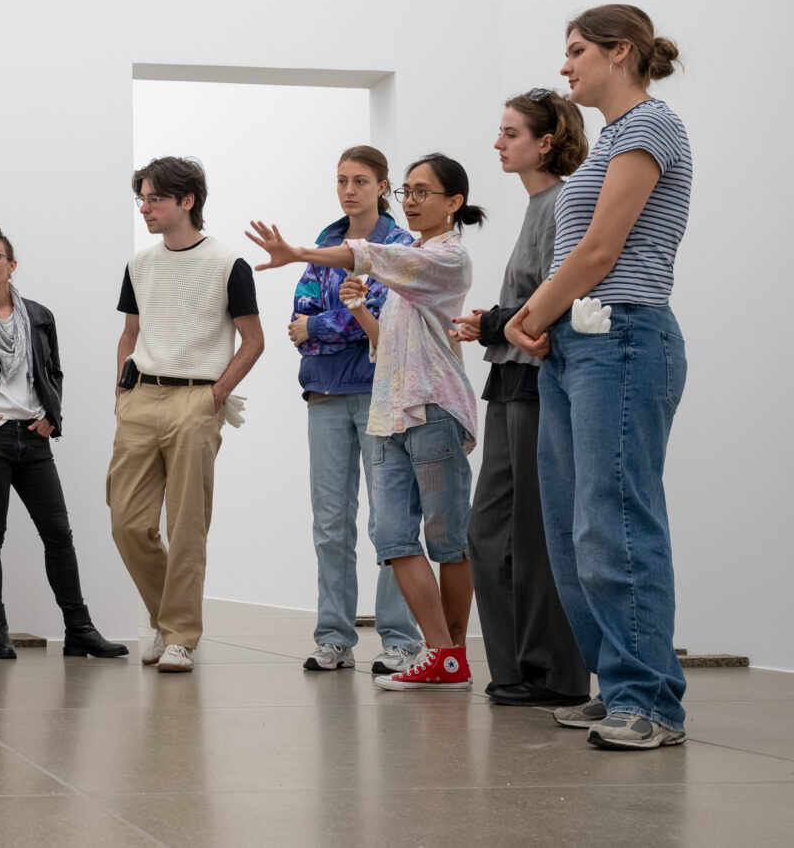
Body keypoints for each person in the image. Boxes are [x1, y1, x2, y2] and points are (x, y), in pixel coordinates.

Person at [506, 5, 691, 750]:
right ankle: (618, 683)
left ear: (620, 54)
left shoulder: (650, 126)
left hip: (622, 336)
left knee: (615, 522)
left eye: (577, 50)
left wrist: (525, 318)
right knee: (570, 528)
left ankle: (650, 701)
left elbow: (599, 251)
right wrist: (543, 323)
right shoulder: (613, 139)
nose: (565, 65)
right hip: (576, 344)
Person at [249, 153, 483, 690]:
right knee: (392, 535)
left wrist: (302, 260)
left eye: (424, 191)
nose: (414, 199)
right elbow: (375, 338)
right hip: (389, 412)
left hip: (432, 409)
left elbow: (363, 262)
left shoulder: (438, 258)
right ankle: (441, 656)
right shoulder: (409, 257)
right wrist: (353, 314)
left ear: (454, 202)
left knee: (446, 540)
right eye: (410, 191)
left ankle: (436, 652)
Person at [450, 89, 590, 708]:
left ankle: (554, 674)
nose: (499, 143)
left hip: (538, 380)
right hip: (510, 380)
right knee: (490, 531)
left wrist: (492, 322)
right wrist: (494, 322)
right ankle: (515, 669)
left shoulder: (563, 203)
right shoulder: (540, 205)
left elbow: (558, 300)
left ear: (546, 142)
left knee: (534, 533)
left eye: (510, 133)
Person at [0, 225, 127, 661]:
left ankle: (79, 629)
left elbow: (53, 373)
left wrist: (51, 418)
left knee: (59, 534)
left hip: (33, 441)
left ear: (11, 264)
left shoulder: (39, 316)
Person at [109, 156, 264, 674]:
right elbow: (130, 334)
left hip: (195, 400)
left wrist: (216, 393)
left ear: (187, 201)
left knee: (187, 525)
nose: (146, 208)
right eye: (143, 198)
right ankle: (166, 618)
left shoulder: (227, 263)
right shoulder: (139, 264)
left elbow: (254, 340)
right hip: (140, 398)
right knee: (127, 523)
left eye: (155, 198)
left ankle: (180, 635)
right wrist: (120, 395)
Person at [291, 146, 423, 676]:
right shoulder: (324, 244)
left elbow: (380, 318)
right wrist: (329, 324)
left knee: (389, 522)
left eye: (361, 180)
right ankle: (334, 639)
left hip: (379, 394)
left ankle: (400, 640)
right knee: (330, 523)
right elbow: (296, 320)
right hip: (323, 395)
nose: (349, 189)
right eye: (342, 179)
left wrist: (324, 326)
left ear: (382, 186)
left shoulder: (399, 245)